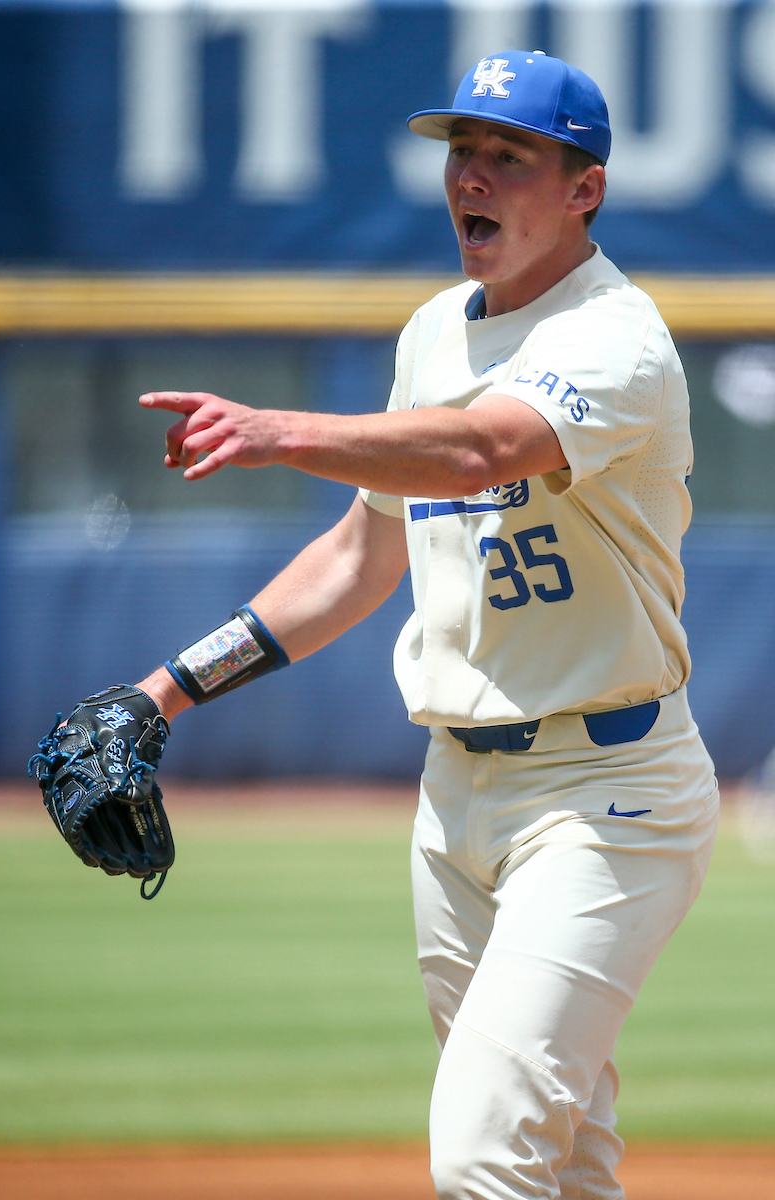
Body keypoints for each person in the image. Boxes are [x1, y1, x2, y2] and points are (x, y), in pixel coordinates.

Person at [122, 52, 721, 1200]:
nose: (471, 176)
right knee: (562, 1163)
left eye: (509, 155)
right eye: (461, 151)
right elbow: (359, 556)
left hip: (607, 799)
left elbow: (480, 449)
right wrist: (161, 692)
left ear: (581, 188)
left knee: (483, 1157)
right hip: (455, 797)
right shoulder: (435, 333)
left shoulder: (615, 336)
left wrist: (273, 429)